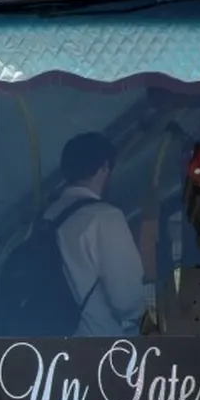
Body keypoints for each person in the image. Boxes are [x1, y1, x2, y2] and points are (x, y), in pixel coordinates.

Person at [50, 132, 147, 336]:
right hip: (97, 347)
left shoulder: (44, 218)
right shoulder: (104, 216)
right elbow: (127, 299)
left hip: (50, 344)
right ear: (104, 167)